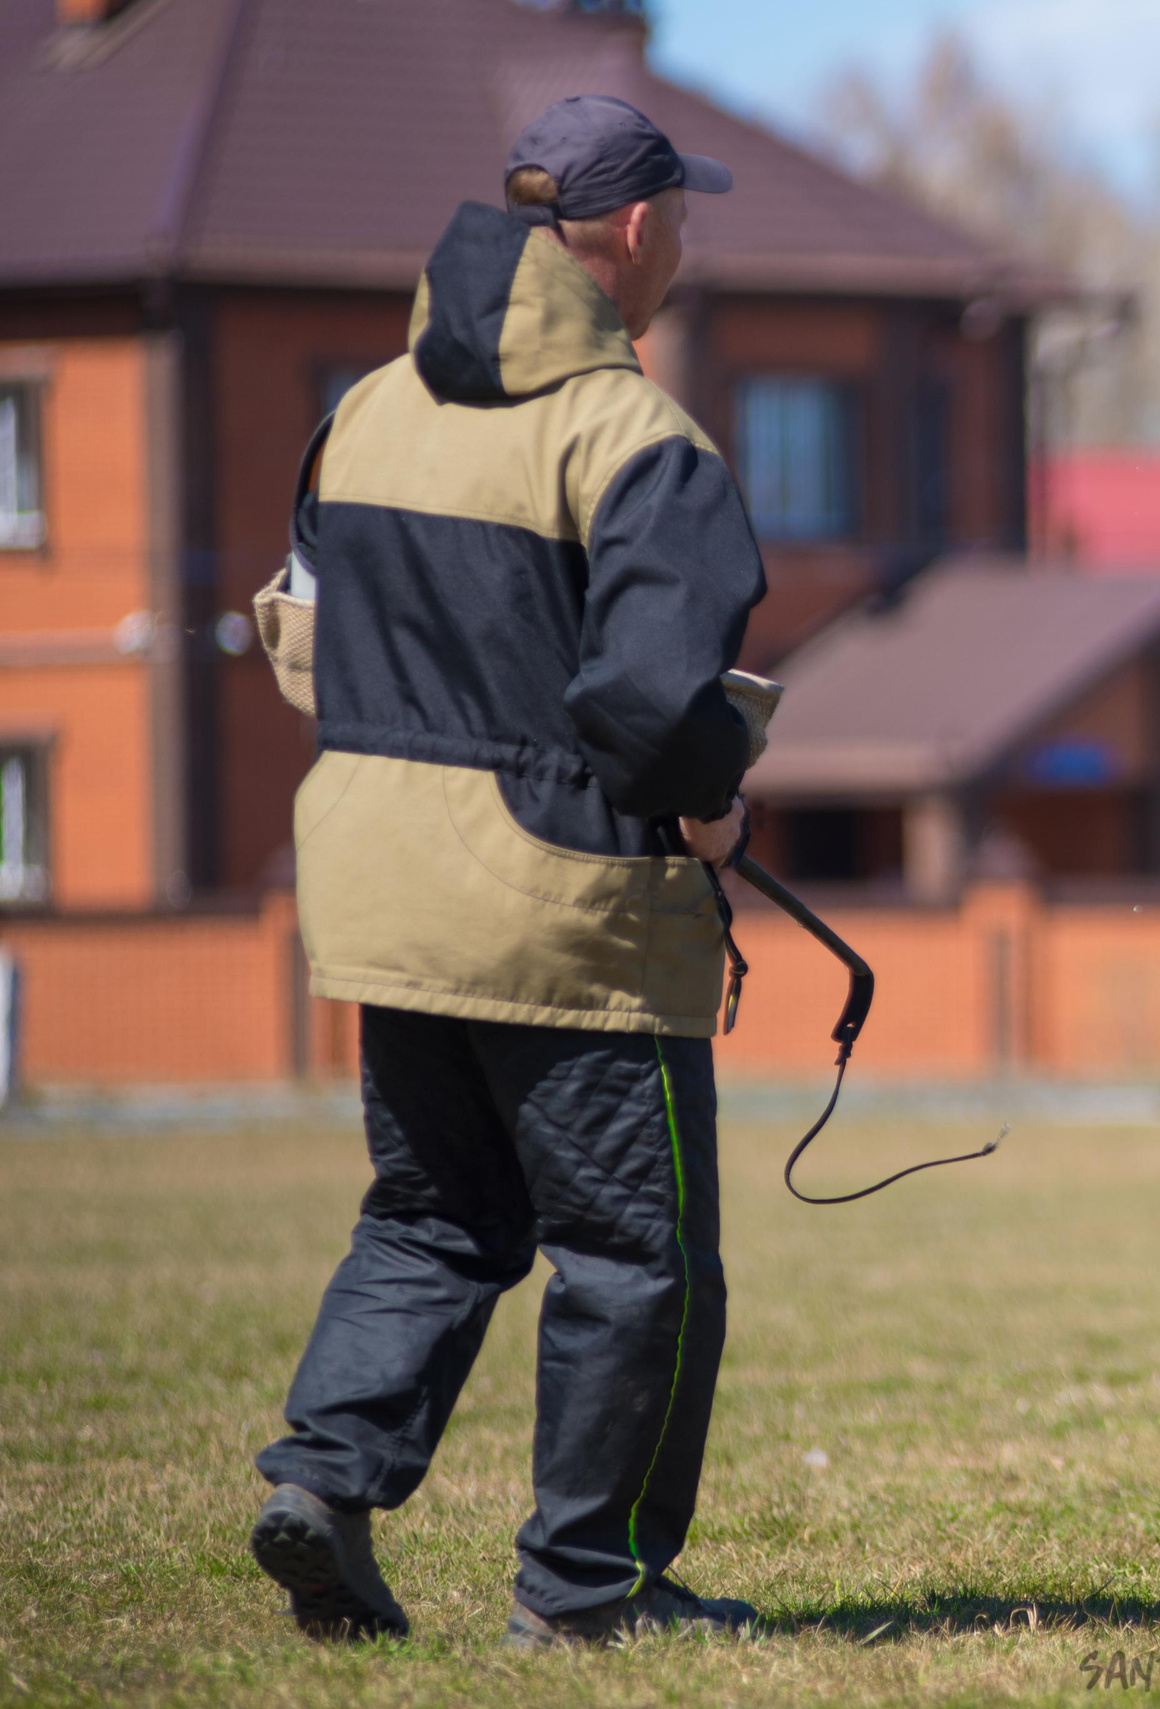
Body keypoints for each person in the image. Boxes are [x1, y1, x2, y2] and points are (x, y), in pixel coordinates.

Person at [247, 96, 767, 1647]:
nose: (685, 242)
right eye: (682, 214)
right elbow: (650, 704)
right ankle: (586, 1591)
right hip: (572, 915)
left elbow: (306, 647)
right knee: (636, 1256)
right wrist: (714, 808)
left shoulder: (364, 410)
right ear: (625, 232)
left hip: (380, 892)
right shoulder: (637, 439)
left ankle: (323, 1487)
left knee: (432, 1220)